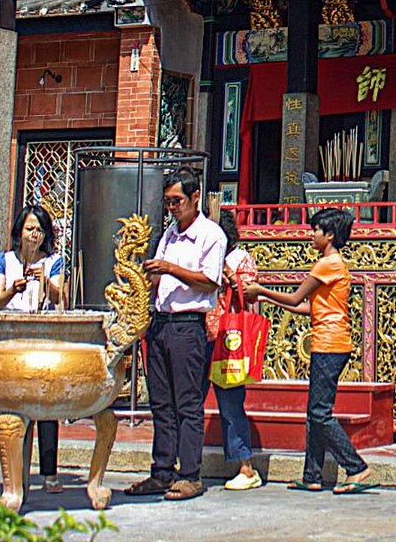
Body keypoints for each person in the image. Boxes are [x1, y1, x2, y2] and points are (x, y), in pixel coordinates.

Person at [245, 207, 374, 494]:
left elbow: (295, 296)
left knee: (320, 413)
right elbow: (306, 307)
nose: (311, 235)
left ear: (329, 234)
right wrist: (271, 301)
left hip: (330, 343)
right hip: (328, 341)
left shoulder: (327, 264)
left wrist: (262, 291)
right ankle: (312, 474)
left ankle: (356, 467)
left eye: (316, 230)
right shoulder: (333, 264)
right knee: (314, 412)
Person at [126, 169, 226, 502]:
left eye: (177, 201)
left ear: (195, 197)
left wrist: (169, 269)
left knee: (187, 402)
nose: (172, 208)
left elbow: (210, 281)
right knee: (161, 402)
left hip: (188, 325)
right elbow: (160, 278)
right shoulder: (168, 234)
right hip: (161, 322)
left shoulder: (211, 234)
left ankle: (190, 473)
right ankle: (162, 470)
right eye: (168, 202)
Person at [0, 204, 65, 495]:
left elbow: (61, 296)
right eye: (30, 229)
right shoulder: (4, 261)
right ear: (20, 232)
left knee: (46, 407)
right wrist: (13, 289)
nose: (34, 235)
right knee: (14, 410)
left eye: (39, 230)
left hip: (41, 335)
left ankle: (49, 473)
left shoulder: (53, 261)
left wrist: (44, 279)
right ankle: (15, 474)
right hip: (10, 337)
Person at [203, 209, 262, 490]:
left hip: (228, 338)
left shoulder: (240, 260)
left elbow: (249, 294)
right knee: (190, 401)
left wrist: (228, 275)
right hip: (199, 332)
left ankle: (245, 467)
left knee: (229, 404)